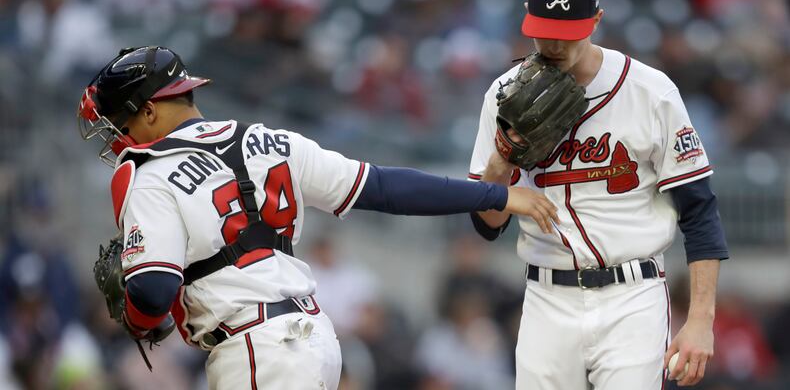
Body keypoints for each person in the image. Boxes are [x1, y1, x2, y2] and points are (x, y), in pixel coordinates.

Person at [76, 46, 558, 390]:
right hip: (314, 340)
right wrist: (494, 194)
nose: (119, 137)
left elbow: (154, 292)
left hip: (255, 349)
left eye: (123, 121)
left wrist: (139, 317)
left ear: (153, 112)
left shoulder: (147, 173)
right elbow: (386, 188)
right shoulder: (270, 139)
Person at [467, 0, 729, 389]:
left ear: (596, 20)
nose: (552, 43)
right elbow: (487, 225)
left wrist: (701, 319)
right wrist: (501, 162)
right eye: (543, 28)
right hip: (546, 297)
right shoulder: (504, 95)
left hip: (632, 294)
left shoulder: (650, 91)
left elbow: (700, 212)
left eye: (566, 32)